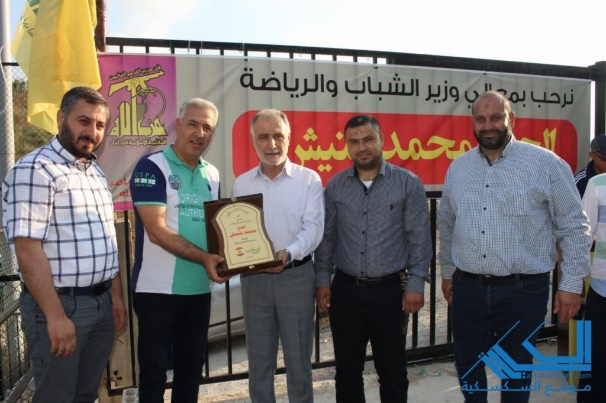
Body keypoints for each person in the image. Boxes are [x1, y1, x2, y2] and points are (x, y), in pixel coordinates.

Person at [438, 90, 592, 403]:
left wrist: (572, 285)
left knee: (516, 371)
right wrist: (447, 271)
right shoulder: (459, 167)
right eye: (480, 119)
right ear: (473, 123)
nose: (488, 125)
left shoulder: (546, 164)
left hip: (523, 291)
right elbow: (448, 224)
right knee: (468, 364)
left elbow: (574, 227)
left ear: (512, 119)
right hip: (468, 288)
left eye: (496, 117)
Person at [1, 86, 126, 402]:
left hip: (99, 307)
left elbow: (104, 241)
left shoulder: (94, 172)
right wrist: (56, 316)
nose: (92, 132)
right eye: (84, 121)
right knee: (57, 397)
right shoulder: (35, 170)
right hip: (60, 306)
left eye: (99, 125)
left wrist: (114, 296)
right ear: (61, 118)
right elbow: (27, 249)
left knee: (85, 395)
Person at [315, 114, 432, 403]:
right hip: (345, 292)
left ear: (382, 141)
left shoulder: (407, 183)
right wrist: (321, 280)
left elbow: (419, 237)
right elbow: (328, 238)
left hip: (390, 293)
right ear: (347, 146)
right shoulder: (336, 186)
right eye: (353, 142)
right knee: (347, 372)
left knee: (392, 372)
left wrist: (416, 283)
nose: (361, 147)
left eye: (368, 139)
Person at [129, 98, 226, 403]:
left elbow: (215, 231)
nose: (200, 133)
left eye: (207, 127)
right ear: (178, 125)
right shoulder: (151, 166)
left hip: (198, 291)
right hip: (156, 291)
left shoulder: (213, 174)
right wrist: (204, 257)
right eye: (193, 124)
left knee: (190, 372)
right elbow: (156, 232)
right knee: (154, 374)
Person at [231, 109, 324, 402]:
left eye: (278, 136)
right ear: (253, 141)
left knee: (298, 363)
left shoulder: (309, 180)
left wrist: (287, 253)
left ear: (289, 138)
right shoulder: (242, 184)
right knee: (259, 363)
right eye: (264, 137)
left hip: (295, 277)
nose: (272, 144)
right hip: (254, 280)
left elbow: (313, 229)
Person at [577, 174, 606, 402]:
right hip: (603, 287)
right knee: (597, 354)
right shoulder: (598, 184)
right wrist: (574, 278)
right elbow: (582, 234)